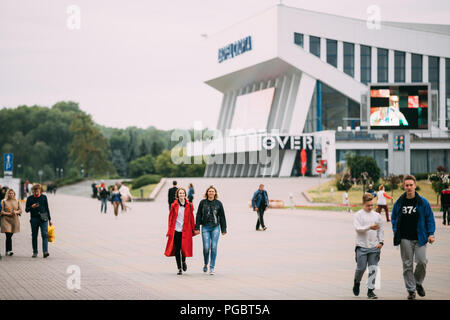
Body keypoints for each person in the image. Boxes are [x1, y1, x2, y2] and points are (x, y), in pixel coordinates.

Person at [391, 175, 436, 300]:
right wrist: (396, 231)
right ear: (404, 186)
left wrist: (431, 234)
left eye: (411, 185)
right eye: (407, 185)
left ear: (415, 185)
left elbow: (430, 219)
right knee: (407, 264)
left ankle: (418, 283)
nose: (409, 187)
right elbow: (394, 218)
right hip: (405, 238)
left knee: (422, 261)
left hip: (420, 238)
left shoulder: (423, 202)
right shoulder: (400, 202)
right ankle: (411, 290)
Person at [352, 193, 384, 299]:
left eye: (372, 205)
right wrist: (369, 227)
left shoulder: (377, 216)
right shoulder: (358, 215)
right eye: (368, 205)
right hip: (361, 246)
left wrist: (381, 242)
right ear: (363, 204)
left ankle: (370, 290)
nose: (370, 207)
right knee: (361, 268)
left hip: (374, 247)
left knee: (373, 269)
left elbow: (380, 229)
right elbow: (358, 228)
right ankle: (357, 282)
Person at [195, 186, 227, 275]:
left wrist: (224, 229)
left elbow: (222, 216)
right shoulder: (202, 202)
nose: (211, 193)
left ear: (215, 193)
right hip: (205, 227)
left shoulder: (219, 203)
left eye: (213, 191)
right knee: (206, 248)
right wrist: (197, 227)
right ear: (207, 193)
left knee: (213, 247)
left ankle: (212, 267)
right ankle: (205, 263)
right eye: (209, 191)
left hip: (216, 227)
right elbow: (198, 215)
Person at [164, 187, 196, 275]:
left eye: (183, 193)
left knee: (184, 248)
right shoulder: (174, 205)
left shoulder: (189, 205)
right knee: (177, 249)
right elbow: (170, 219)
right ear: (177, 195)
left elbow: (191, 218)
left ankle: (184, 261)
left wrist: (195, 229)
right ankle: (179, 268)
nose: (181, 194)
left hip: (186, 231)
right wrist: (169, 231)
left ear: (185, 195)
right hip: (176, 230)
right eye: (180, 193)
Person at [25, 184, 52, 258]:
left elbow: (47, 208)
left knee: (44, 234)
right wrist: (31, 207)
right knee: (34, 236)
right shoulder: (30, 198)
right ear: (33, 191)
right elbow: (26, 210)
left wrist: (50, 219)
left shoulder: (44, 197)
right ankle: (35, 252)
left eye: (38, 190)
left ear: (40, 190)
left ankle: (45, 251)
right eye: (35, 190)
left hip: (44, 218)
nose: (36, 191)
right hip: (34, 219)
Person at [1, 189, 22, 256]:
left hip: (14, 220)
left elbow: (20, 210)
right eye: (9, 193)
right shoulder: (3, 201)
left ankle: (9, 250)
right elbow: (1, 211)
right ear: (7, 194)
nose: (11, 194)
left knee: (10, 235)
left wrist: (16, 212)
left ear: (14, 194)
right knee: (8, 235)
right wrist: (8, 214)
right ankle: (8, 250)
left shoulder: (17, 201)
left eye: (12, 193)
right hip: (5, 220)